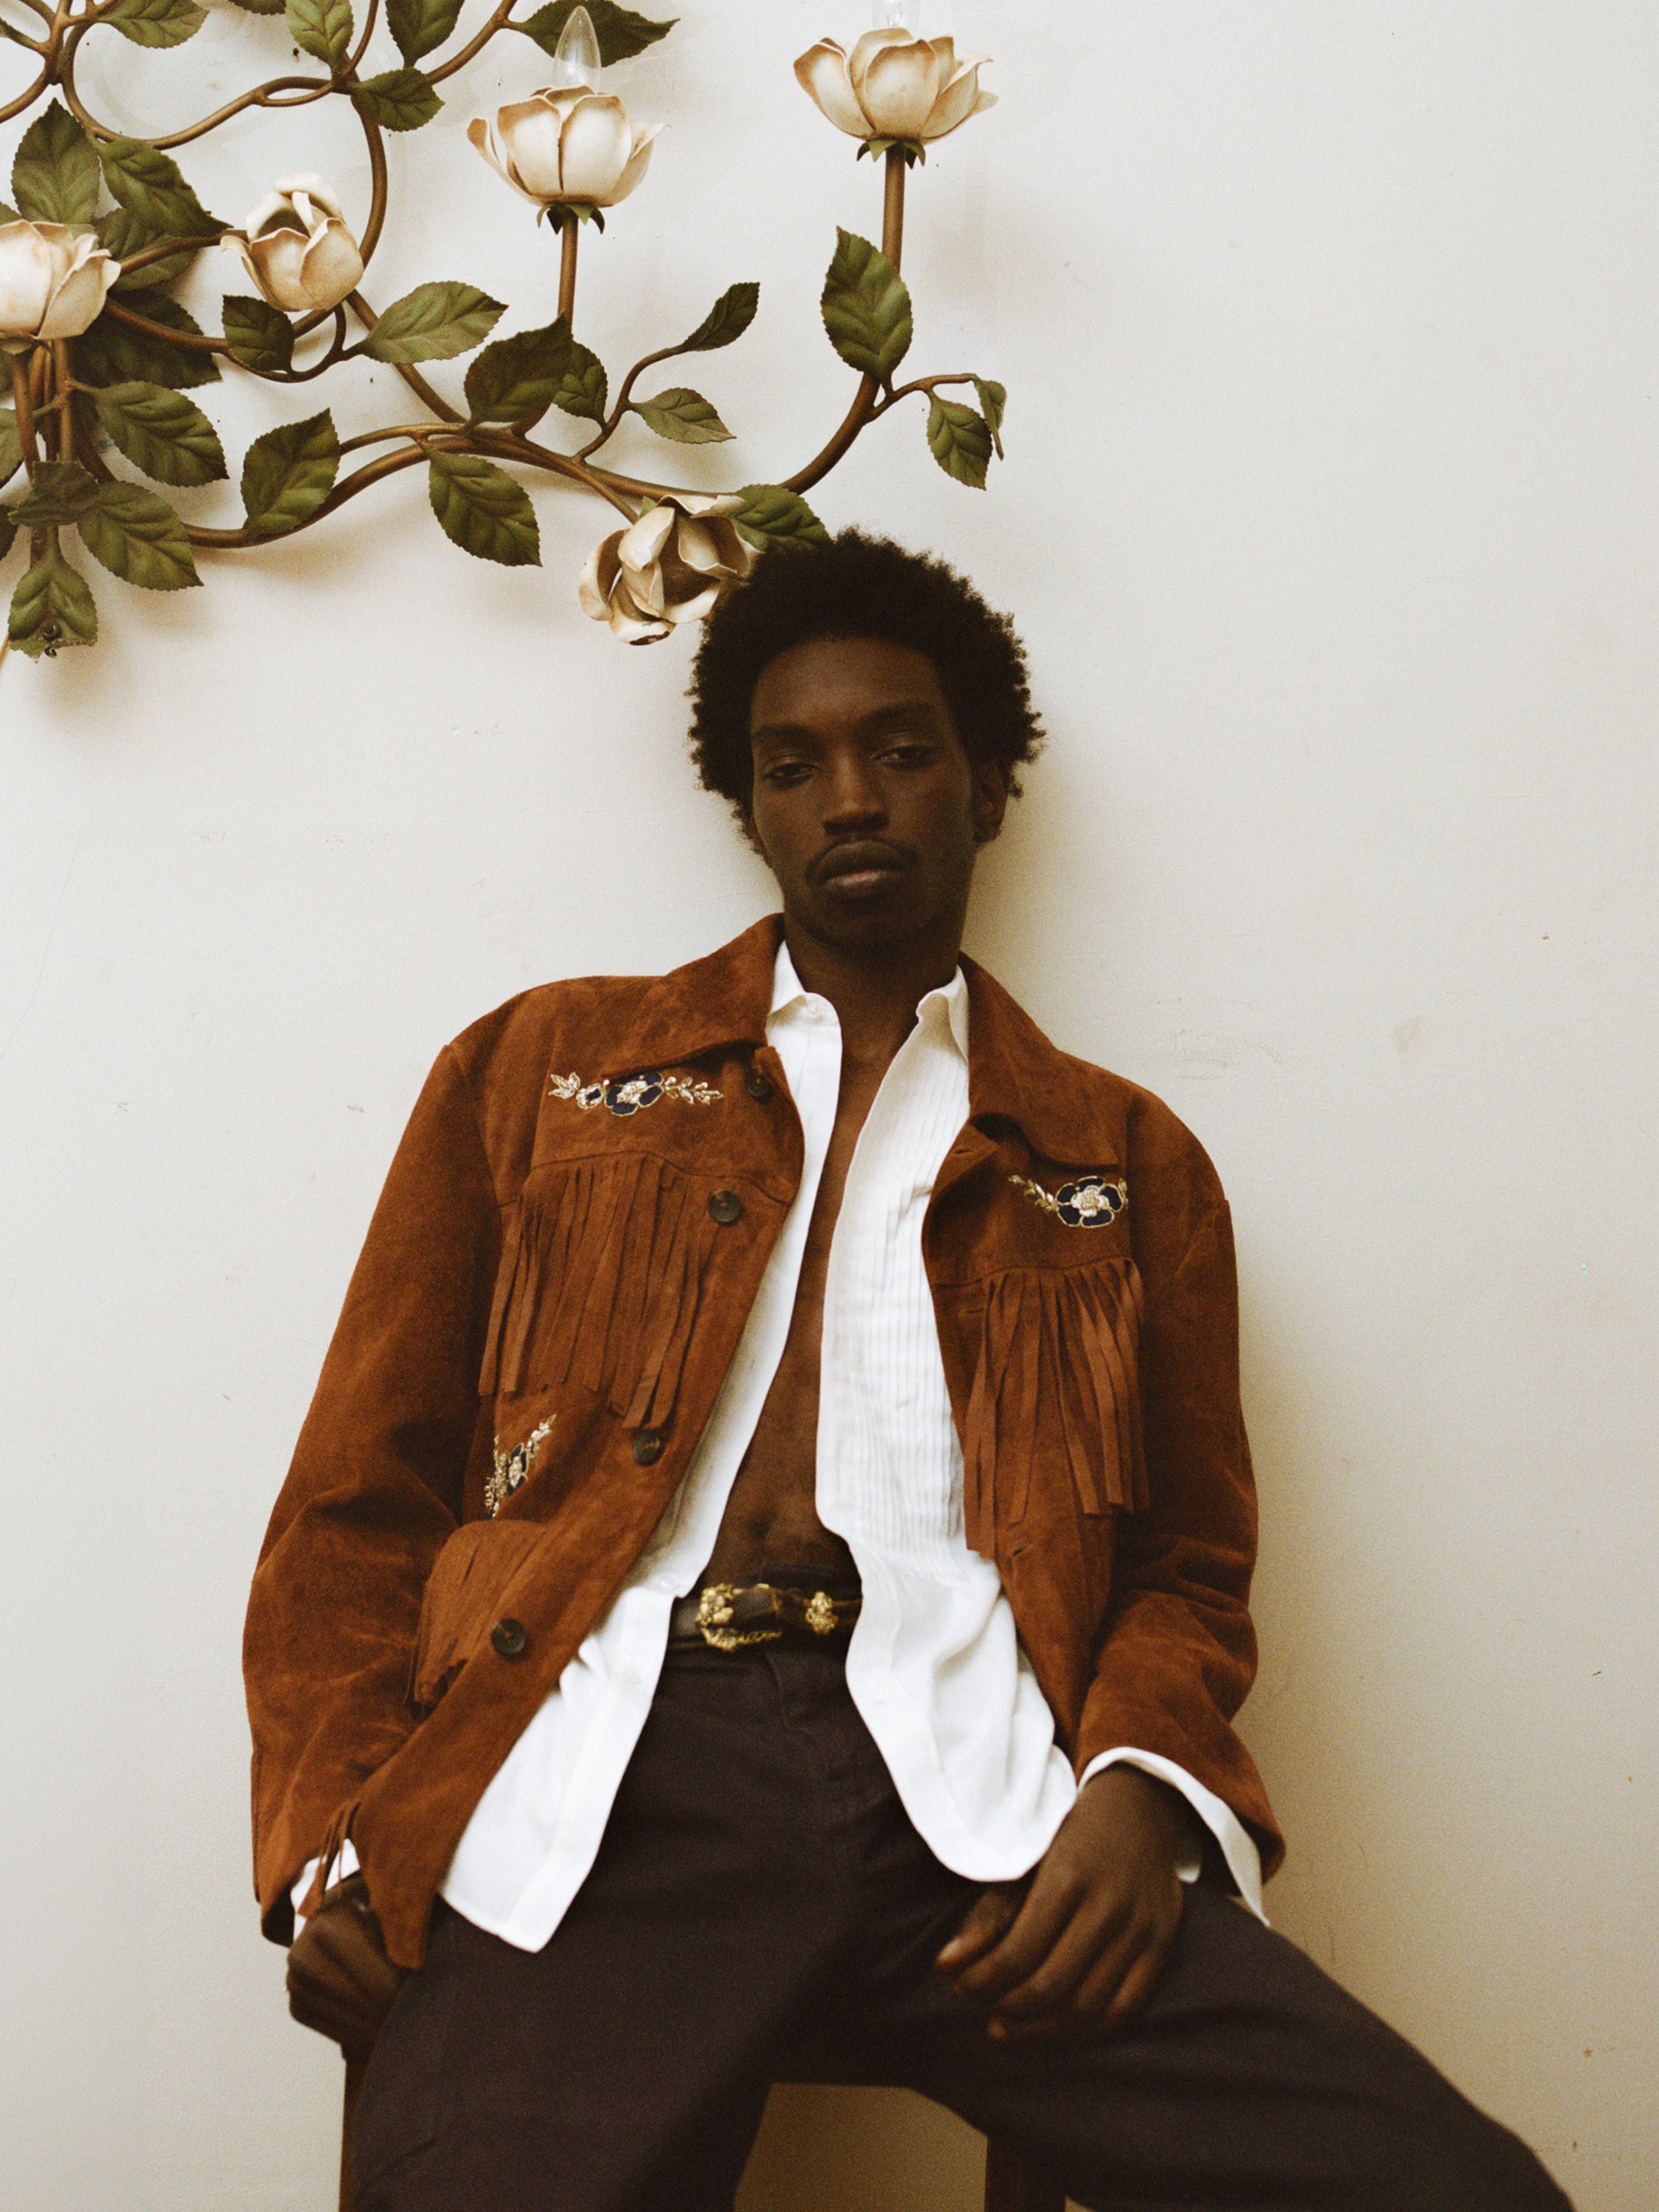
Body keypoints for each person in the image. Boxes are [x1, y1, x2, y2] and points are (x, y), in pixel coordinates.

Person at [246, 533, 1570, 2212]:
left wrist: (1142, 1802)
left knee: (1455, 2192)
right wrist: (337, 1843)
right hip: (607, 1791)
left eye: (902, 747)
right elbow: (356, 1503)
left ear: (987, 785)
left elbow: (1186, 1568)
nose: (850, 796)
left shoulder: (1118, 1159)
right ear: (751, 809)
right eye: (792, 766)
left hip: (979, 1804)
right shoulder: (543, 1076)